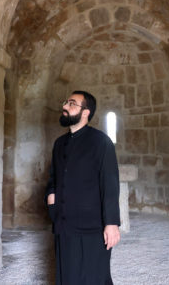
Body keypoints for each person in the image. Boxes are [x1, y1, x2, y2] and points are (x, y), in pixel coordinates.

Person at [45, 90, 121, 285]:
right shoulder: (59, 143)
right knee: (67, 276)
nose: (65, 106)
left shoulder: (101, 142)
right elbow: (53, 177)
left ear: (85, 112)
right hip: (63, 223)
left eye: (72, 103)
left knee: (95, 277)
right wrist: (51, 197)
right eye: (66, 102)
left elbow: (110, 184)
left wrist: (111, 223)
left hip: (92, 227)